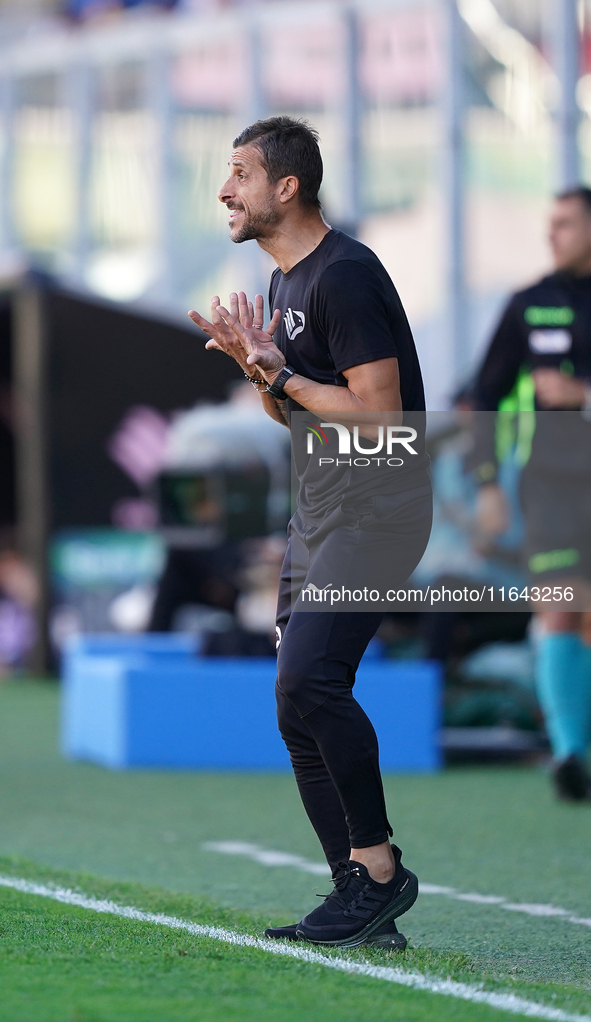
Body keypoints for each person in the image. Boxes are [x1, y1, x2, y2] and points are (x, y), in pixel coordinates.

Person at [188, 116, 432, 949]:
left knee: (309, 686)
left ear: (285, 187)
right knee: (296, 706)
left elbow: (378, 415)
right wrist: (260, 371)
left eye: (238, 173)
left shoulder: (346, 273)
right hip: (321, 511)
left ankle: (378, 873)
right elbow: (296, 413)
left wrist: (282, 370)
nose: (224, 190)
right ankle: (355, 894)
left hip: (377, 511)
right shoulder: (285, 282)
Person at [472, 187, 591, 801]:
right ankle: (571, 754)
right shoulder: (528, 303)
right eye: (550, 224)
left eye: (566, 224)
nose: (554, 235)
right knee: (560, 609)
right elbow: (485, 397)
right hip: (548, 487)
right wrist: (489, 484)